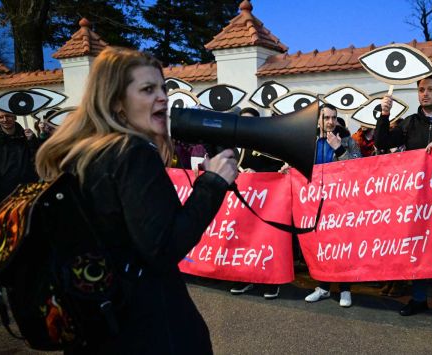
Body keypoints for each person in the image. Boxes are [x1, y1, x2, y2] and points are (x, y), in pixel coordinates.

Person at [34, 47, 238, 353]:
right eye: (147, 89)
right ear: (117, 102)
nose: (163, 97)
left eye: (163, 88)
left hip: (102, 323)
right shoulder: (132, 153)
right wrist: (213, 183)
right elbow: (163, 248)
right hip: (148, 329)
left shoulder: (83, 153)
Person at [374, 72, 432, 324]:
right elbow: (382, 143)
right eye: (421, 89)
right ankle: (419, 297)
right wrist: (384, 115)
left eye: (430, 89)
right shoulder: (409, 123)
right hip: (417, 199)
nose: (425, 93)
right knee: (419, 246)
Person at [303, 103, 361, 307]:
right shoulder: (310, 141)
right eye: (326, 117)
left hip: (342, 202)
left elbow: (358, 167)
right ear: (318, 120)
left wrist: (340, 148)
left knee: (342, 245)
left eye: (333, 117)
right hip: (316, 203)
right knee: (322, 245)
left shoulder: (347, 140)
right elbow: (302, 167)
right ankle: (324, 287)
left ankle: (345, 289)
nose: (330, 121)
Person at [230, 106, 284, 299]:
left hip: (267, 202)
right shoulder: (233, 143)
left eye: (250, 121)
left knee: (267, 242)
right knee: (246, 240)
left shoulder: (267, 143)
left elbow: (278, 167)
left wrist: (257, 175)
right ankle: (247, 278)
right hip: (243, 202)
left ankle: (272, 282)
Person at [0, 110, 39, 205]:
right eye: (1, 117)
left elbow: (36, 156)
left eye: (8, 116)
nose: (5, 120)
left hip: (28, 185)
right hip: (4, 189)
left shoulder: (26, 135)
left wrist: (31, 140)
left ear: (15, 117)